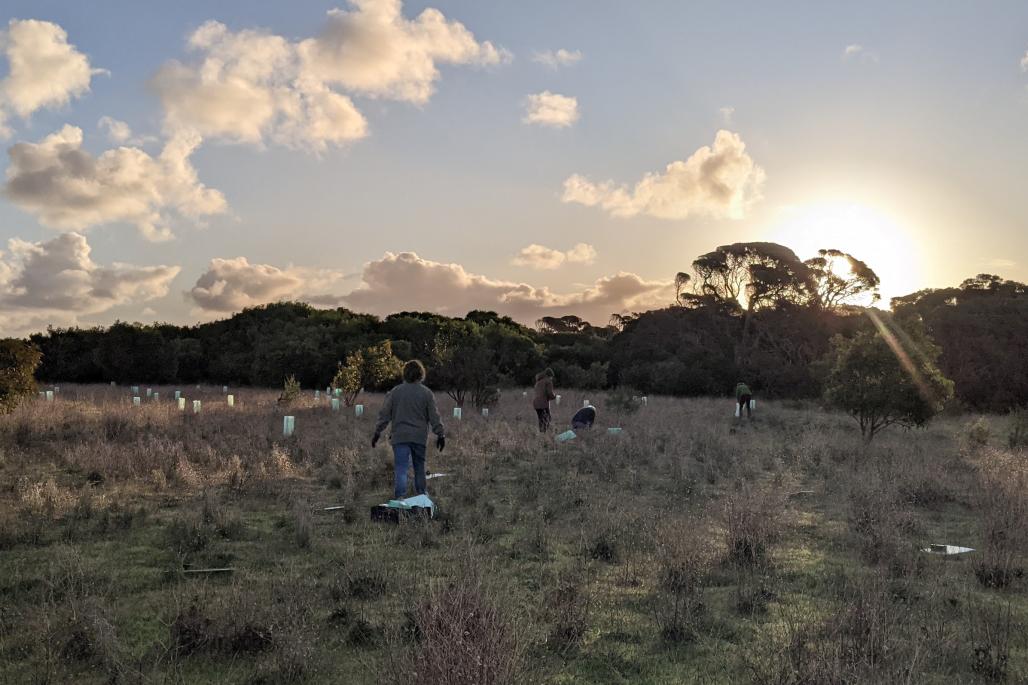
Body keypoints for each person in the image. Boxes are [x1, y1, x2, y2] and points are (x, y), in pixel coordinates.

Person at [372, 360, 445, 500]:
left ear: (405, 373)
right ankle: (422, 496)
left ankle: (400, 498)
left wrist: (377, 432)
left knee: (401, 468)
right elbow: (434, 416)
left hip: (400, 437)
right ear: (421, 374)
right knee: (419, 468)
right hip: (419, 437)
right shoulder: (427, 393)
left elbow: (384, 414)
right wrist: (440, 434)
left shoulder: (395, 392)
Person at [532, 368, 556, 432]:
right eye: (552, 377)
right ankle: (545, 435)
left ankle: (542, 435)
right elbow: (549, 393)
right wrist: (554, 396)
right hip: (543, 403)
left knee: (541, 420)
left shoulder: (538, 382)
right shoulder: (548, 381)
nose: (552, 378)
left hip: (536, 403)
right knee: (547, 419)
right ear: (550, 375)